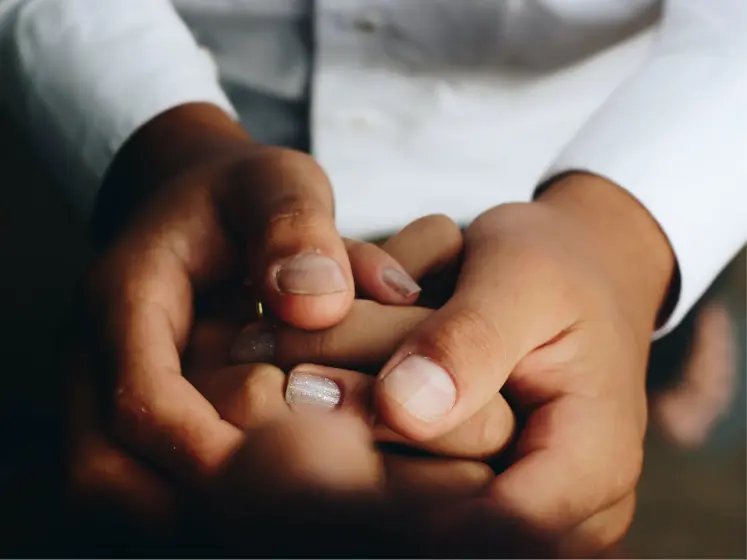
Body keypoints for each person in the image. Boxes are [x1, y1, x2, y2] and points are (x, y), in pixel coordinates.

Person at [1, 0, 745, 556]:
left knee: (618, 346)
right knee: (579, 382)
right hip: (203, 166)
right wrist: (626, 247)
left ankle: (669, 343)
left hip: (577, 152)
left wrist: (626, 240)